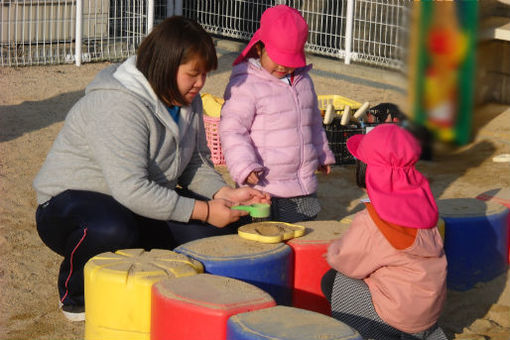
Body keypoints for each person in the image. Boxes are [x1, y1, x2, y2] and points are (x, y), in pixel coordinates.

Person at [33, 16, 269, 322]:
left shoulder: (188, 99)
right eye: (193, 74)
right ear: (165, 67)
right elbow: (131, 188)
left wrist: (226, 194)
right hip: (70, 207)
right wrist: (205, 210)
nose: (200, 84)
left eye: (204, 75)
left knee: (220, 230)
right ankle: (75, 293)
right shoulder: (119, 105)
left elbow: (195, 162)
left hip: (137, 204)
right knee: (113, 229)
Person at [321, 124, 448, 339]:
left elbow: (347, 261)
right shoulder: (423, 206)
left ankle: (373, 333)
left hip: (399, 317)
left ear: (366, 171)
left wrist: (333, 251)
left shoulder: (371, 220)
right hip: (428, 313)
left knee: (336, 279)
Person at [219, 5, 335, 223]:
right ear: (260, 48)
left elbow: (313, 122)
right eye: (277, 57)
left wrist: (322, 153)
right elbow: (232, 130)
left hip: (303, 184)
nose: (283, 65)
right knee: (261, 238)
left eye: (290, 59)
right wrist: (244, 166)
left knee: (305, 233)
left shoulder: (303, 81)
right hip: (263, 186)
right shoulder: (246, 84)